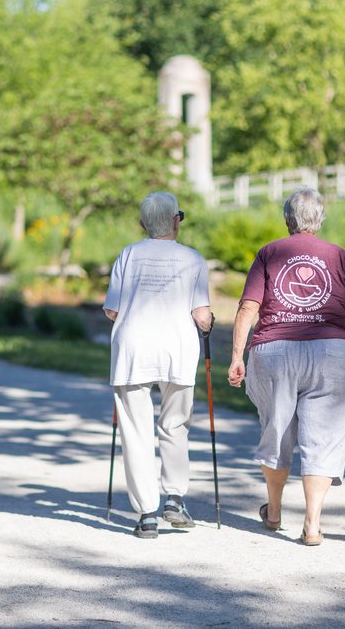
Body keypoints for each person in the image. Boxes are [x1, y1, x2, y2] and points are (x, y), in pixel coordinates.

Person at [227, 188, 345, 546]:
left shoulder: (270, 252)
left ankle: (274, 511)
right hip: (333, 354)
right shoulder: (339, 256)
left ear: (287, 220)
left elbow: (249, 308)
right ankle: (312, 523)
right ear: (320, 219)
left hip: (275, 352)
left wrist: (236, 355)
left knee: (277, 429)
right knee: (323, 439)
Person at [103, 191, 213, 539]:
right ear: (177, 221)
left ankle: (146, 514)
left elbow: (111, 310)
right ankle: (175, 499)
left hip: (133, 348)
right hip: (177, 348)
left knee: (135, 431)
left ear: (142, 225)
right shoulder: (193, 259)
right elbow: (201, 316)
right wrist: (210, 322)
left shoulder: (128, 254)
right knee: (175, 425)